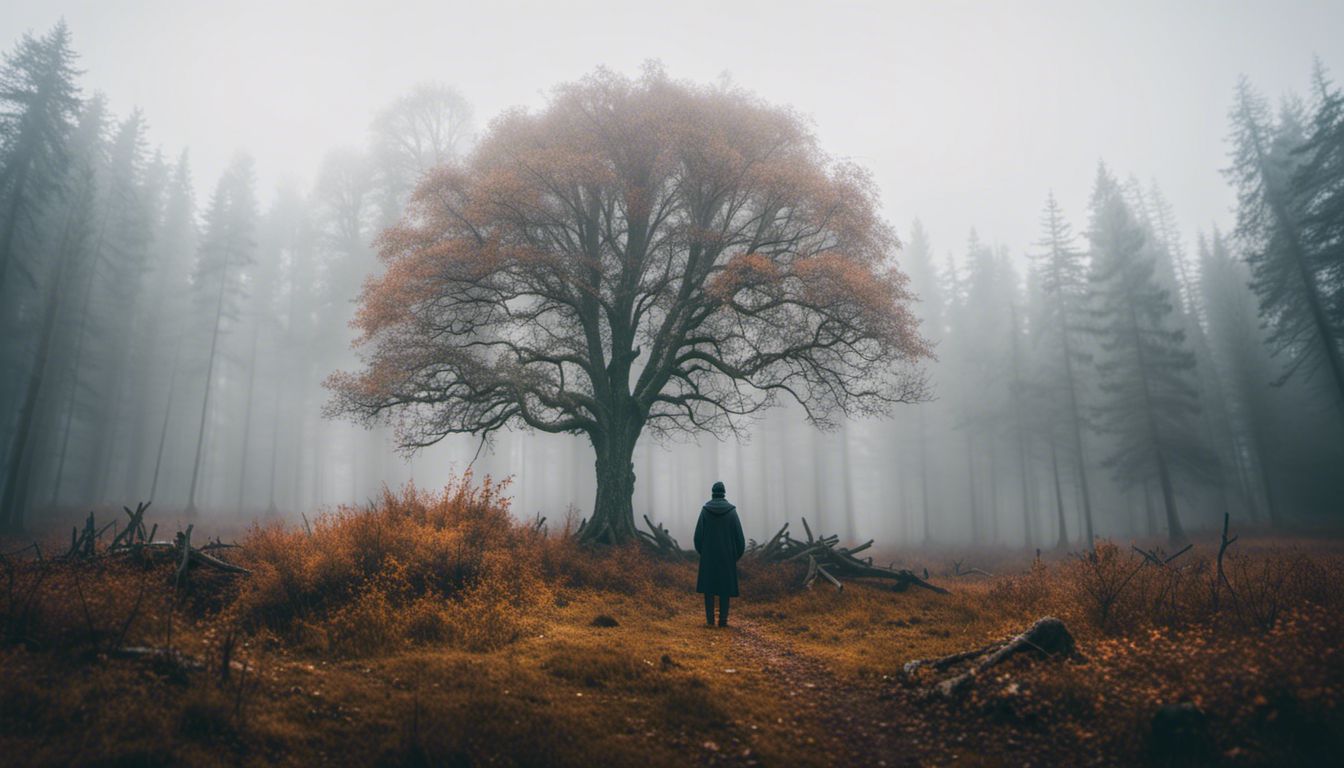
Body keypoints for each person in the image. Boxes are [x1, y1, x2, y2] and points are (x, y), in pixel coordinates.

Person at [693, 480, 745, 627]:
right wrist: (734, 556)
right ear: (724, 493)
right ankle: (723, 621)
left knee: (709, 590)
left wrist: (703, 553)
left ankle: (710, 621)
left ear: (713, 493)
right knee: (725, 589)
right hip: (726, 557)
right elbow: (740, 539)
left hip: (708, 557)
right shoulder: (732, 512)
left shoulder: (705, 511)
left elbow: (697, 537)